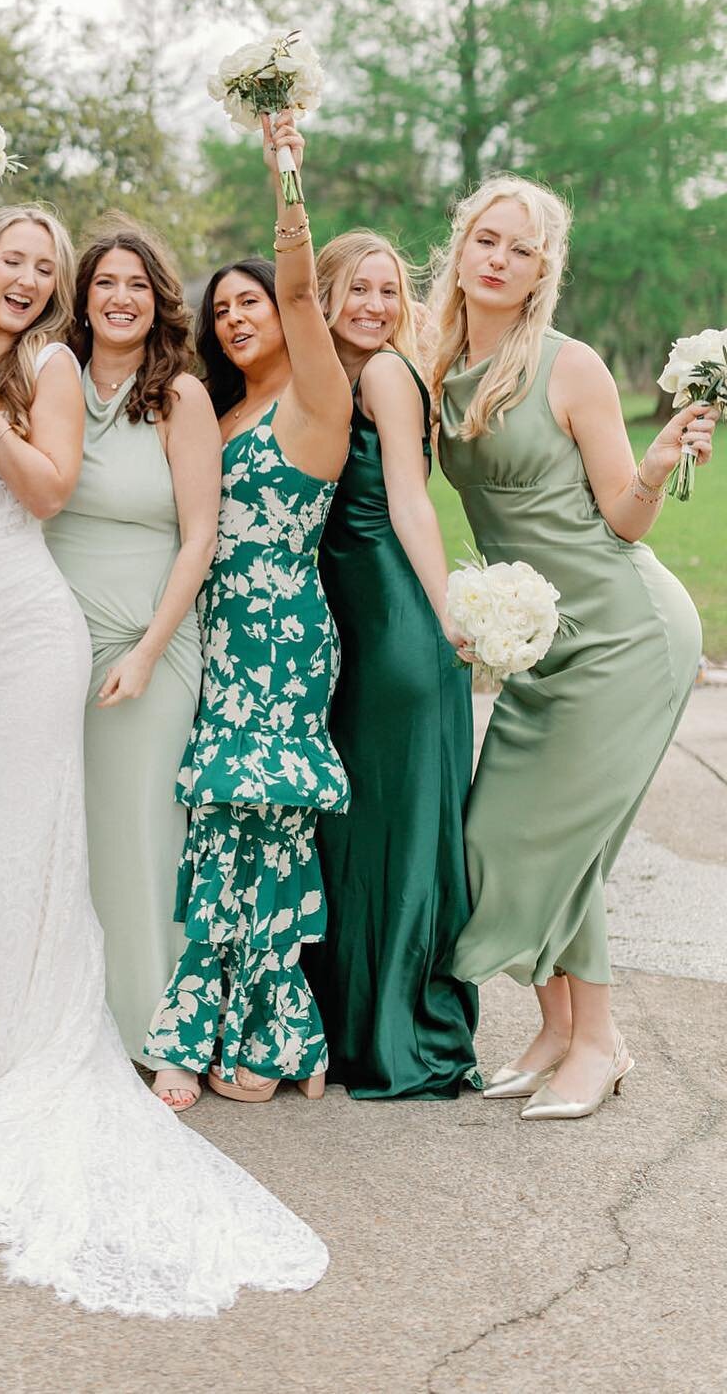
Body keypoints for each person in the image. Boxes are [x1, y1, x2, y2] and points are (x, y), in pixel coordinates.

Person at [0, 204, 328, 1318]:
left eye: (52, 268)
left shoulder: (70, 373)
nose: (46, 280)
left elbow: (66, 494)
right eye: (29, 261)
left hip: (76, 625)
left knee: (106, 831)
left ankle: (155, 1031)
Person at [431, 175, 716, 1119]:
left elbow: (625, 523)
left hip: (625, 630)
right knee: (498, 840)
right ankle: (557, 1029)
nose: (499, 258)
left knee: (560, 842)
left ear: (541, 267)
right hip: (537, 643)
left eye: (520, 248)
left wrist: (660, 463)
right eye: (486, 239)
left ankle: (599, 1039)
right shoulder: (435, 363)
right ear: (462, 246)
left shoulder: (570, 365)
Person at [144, 117, 353, 1105]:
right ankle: (276, 1035)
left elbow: (306, 284)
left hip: (281, 641)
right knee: (220, 831)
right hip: (215, 636)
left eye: (249, 302)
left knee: (259, 830)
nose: (234, 316)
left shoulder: (317, 399)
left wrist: (285, 165)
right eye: (219, 307)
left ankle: (255, 1038)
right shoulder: (215, 409)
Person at [43, 218, 218, 1111]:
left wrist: (150, 651)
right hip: (51, 636)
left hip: (149, 639)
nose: (119, 297)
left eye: (137, 284)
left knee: (146, 833)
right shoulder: (53, 379)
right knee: (62, 833)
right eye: (105, 281)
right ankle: (65, 1018)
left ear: (159, 300)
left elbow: (200, 537)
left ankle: (163, 1031)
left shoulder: (180, 397)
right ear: (83, 296)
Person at [304, 231, 478, 1099]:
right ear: (326, 294)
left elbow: (409, 499)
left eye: (387, 291)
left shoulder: (379, 374)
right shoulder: (328, 378)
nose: (374, 305)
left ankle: (395, 1029)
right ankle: (354, 1022)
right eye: (357, 290)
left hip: (397, 625)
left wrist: (450, 613)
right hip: (357, 625)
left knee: (393, 829)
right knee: (362, 825)